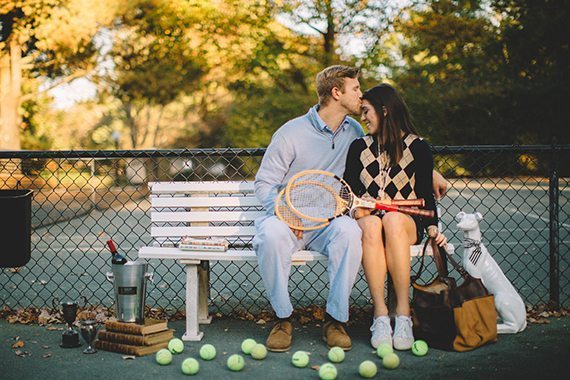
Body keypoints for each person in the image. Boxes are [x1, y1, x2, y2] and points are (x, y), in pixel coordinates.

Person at [254, 66, 449, 353]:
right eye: (355, 89)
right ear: (337, 93)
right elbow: (264, 184)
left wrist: (431, 173)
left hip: (330, 220)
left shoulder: (354, 131)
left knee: (349, 232)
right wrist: (285, 213)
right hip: (290, 219)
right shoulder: (290, 133)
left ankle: (335, 321)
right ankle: (282, 319)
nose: (361, 94)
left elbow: (392, 145)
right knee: (269, 236)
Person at [343, 83, 448, 351]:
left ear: (385, 110)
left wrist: (434, 228)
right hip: (371, 224)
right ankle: (380, 316)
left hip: (406, 223)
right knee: (371, 223)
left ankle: (403, 314)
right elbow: (348, 193)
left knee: (392, 220)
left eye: (366, 111)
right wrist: (357, 209)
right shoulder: (358, 148)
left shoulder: (418, 148)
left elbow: (425, 192)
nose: (363, 117)